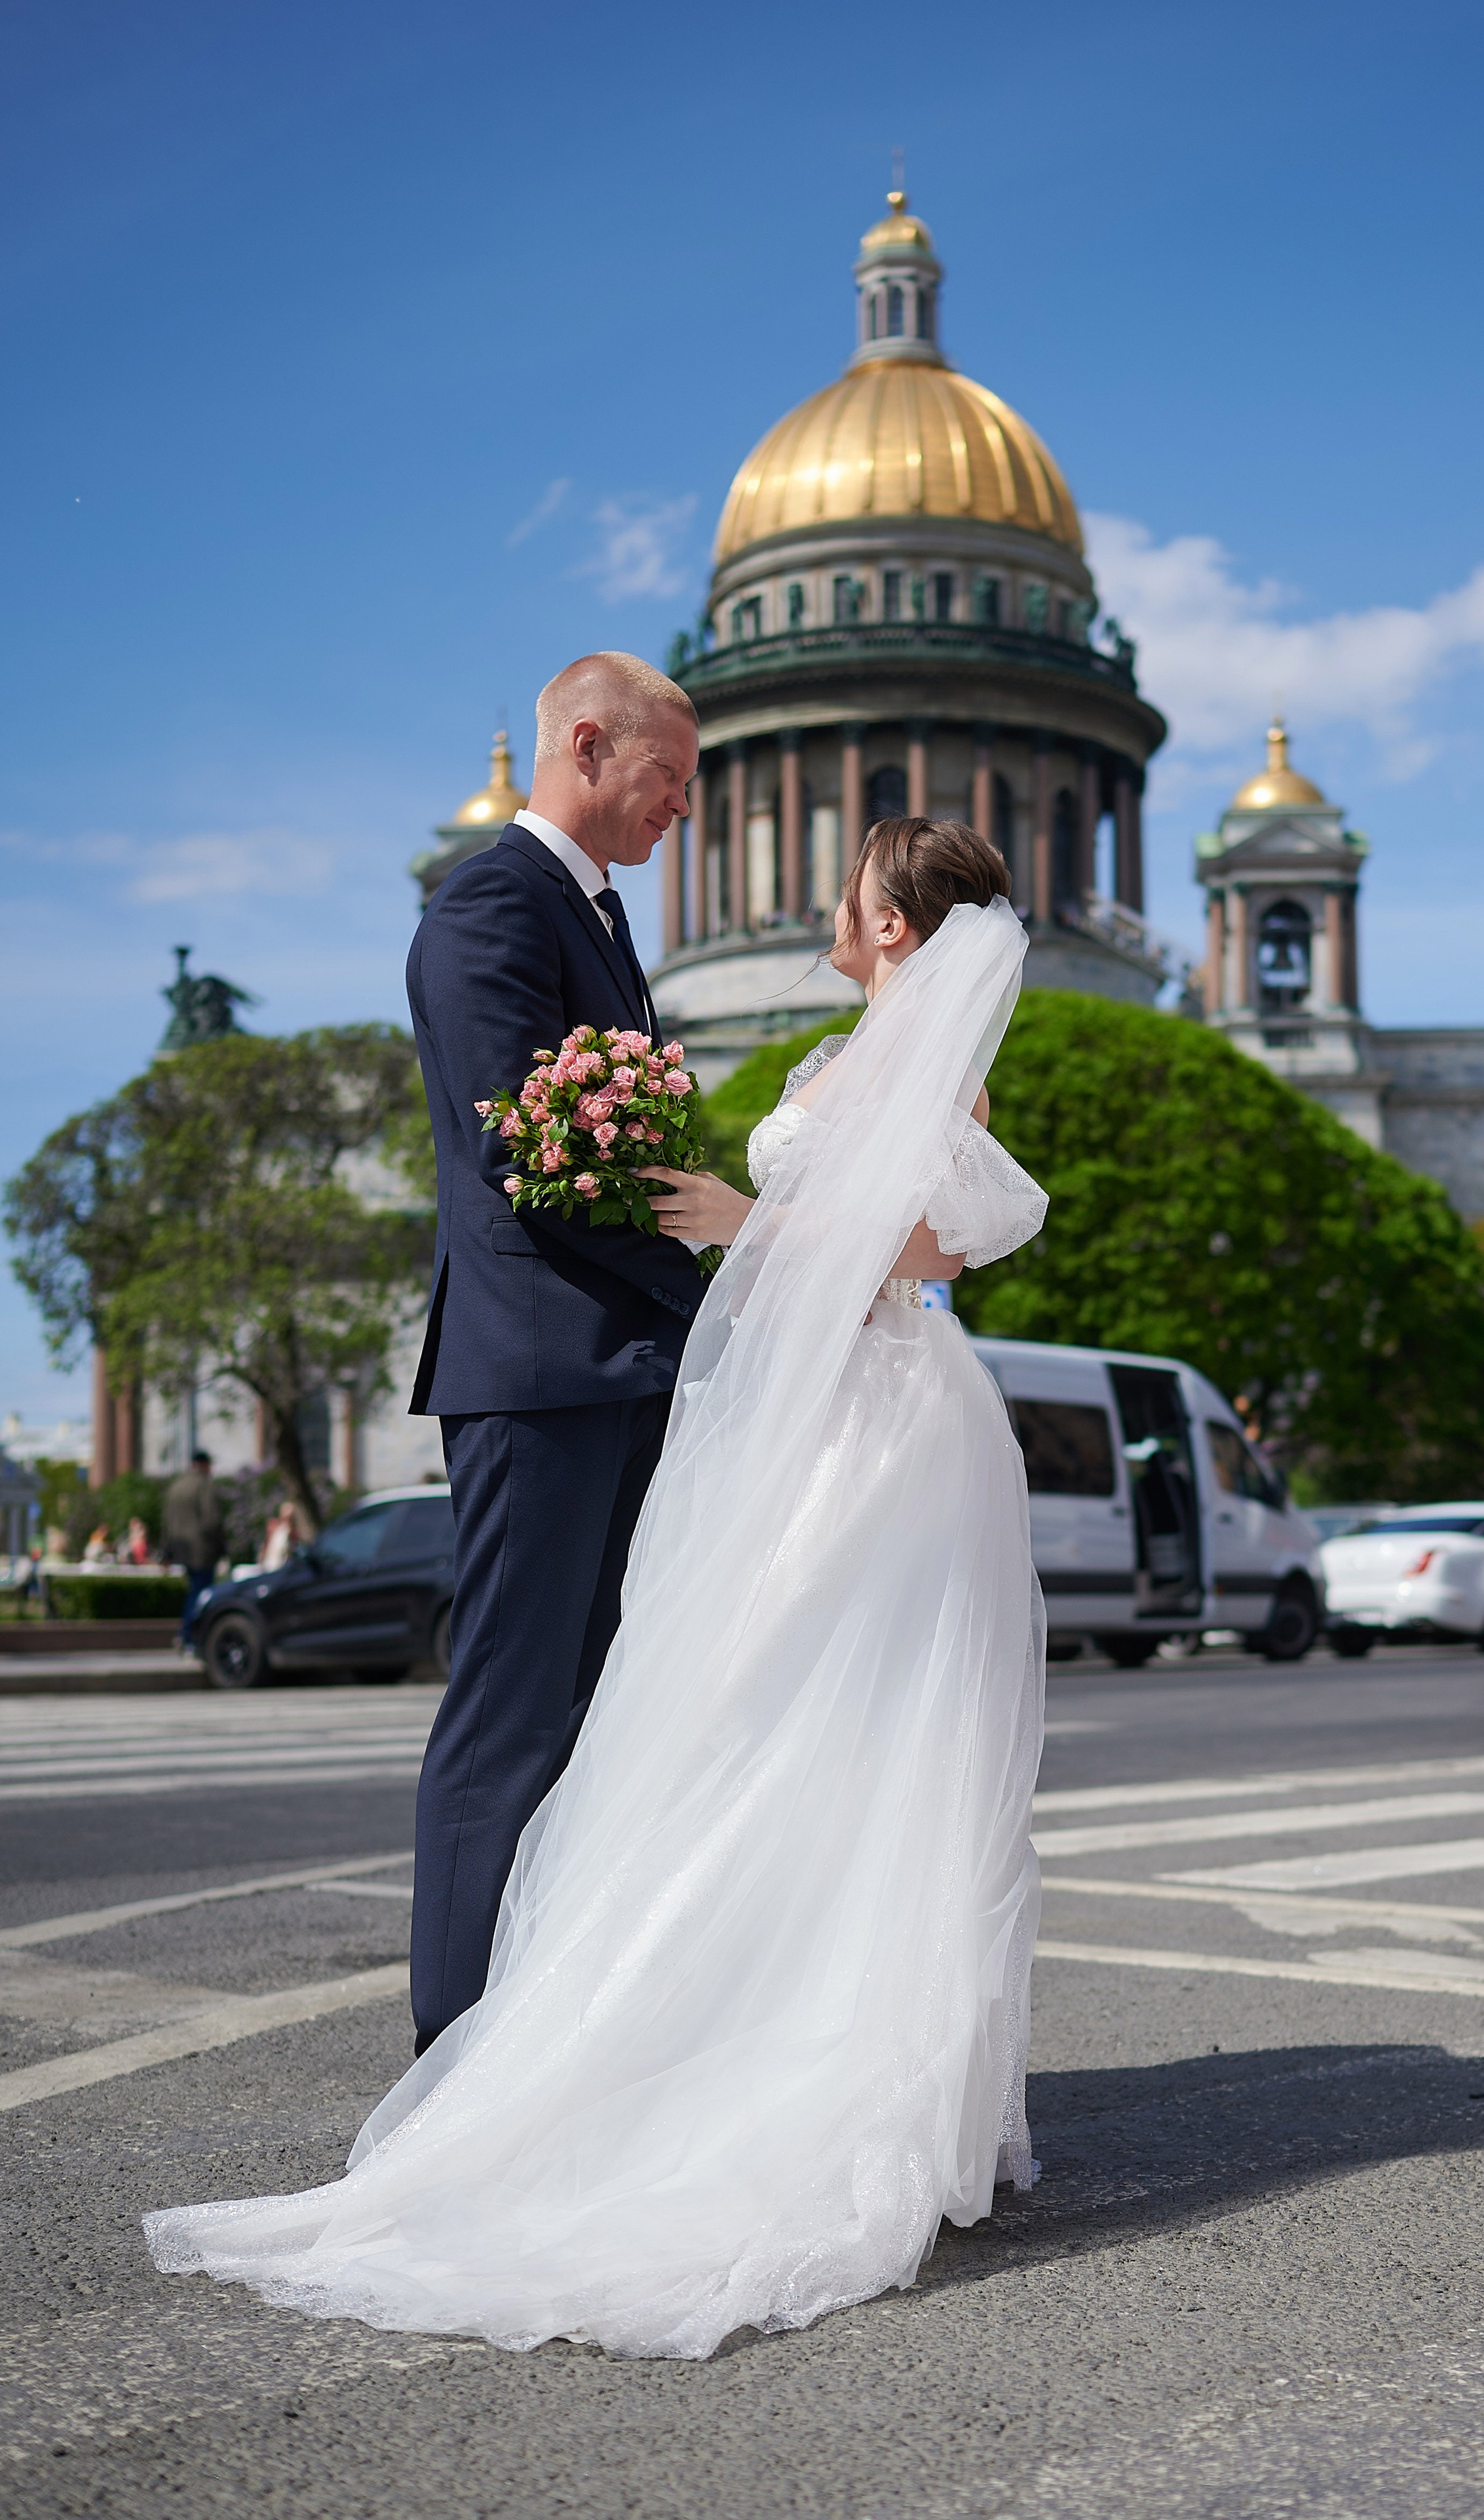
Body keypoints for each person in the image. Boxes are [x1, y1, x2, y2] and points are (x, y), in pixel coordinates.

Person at [145, 816, 1048, 2361]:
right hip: (811, 1411)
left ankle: (830, 2064)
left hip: (881, 1422)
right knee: (743, 1716)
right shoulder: (849, 1043)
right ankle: (717, 2030)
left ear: (896, 922)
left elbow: (941, 1242)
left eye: (853, 886)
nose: (823, 898)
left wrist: (742, 1217)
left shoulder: (928, 1059)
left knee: (826, 1721)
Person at [398, 653, 707, 2056]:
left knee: (586, 1725)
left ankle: (538, 2050)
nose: (682, 812)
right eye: (669, 778)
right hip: (537, 1373)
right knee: (511, 1724)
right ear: (587, 744)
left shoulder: (592, 914)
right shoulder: (489, 907)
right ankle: (451, 2061)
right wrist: (709, 1285)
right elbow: (527, 1158)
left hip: (605, 1370)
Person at [162, 1451, 224, 1647]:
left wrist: (167, 1552)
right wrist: (222, 1548)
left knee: (194, 1591)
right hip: (202, 1552)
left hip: (182, 1551)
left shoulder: (176, 1487)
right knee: (202, 1594)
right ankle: (189, 1635)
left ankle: (187, 1634)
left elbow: (167, 1523)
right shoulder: (205, 1485)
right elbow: (212, 1521)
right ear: (205, 1465)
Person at [258, 1501, 298, 1571]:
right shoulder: (274, 1527)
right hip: (269, 1563)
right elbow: (266, 1544)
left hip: (282, 1567)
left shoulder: (293, 1533)